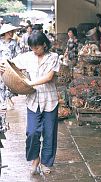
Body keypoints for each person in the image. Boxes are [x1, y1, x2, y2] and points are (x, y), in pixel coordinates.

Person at [0, 30, 60, 175]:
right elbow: (9, 63)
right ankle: (35, 159)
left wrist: (31, 83)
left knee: (49, 133)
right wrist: (2, 67)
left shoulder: (54, 57)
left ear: (44, 45)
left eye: (37, 47)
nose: (35, 50)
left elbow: (49, 77)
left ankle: (46, 163)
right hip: (33, 101)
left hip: (50, 100)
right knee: (32, 132)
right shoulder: (27, 56)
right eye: (32, 48)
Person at [0, 24, 21, 110]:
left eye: (12, 31)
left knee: (9, 84)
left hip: (11, 66)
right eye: (9, 32)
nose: (11, 33)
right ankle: (2, 101)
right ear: (5, 33)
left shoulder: (14, 42)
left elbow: (18, 54)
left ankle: (8, 99)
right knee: (1, 84)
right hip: (1, 66)